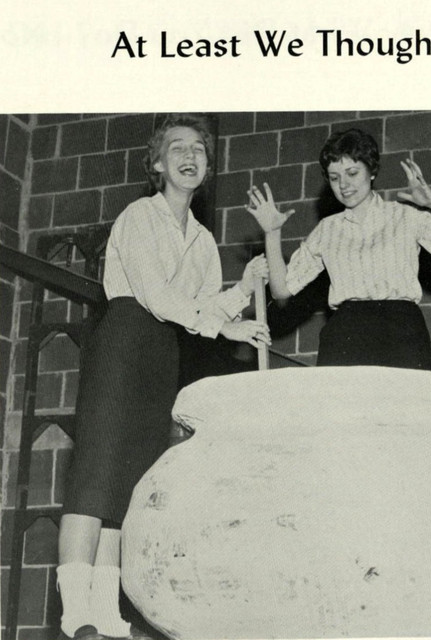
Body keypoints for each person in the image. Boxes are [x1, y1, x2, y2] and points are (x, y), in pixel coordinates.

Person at [56, 114, 270, 640]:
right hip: (125, 336)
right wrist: (224, 327)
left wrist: (243, 290)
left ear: (207, 167)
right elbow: (156, 295)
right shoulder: (139, 216)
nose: (189, 156)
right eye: (177, 148)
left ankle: (105, 609)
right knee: (96, 474)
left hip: (162, 350)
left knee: (126, 484)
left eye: (198, 149)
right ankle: (75, 610)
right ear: (157, 163)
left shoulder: (202, 240)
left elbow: (201, 309)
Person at [245, 127, 431, 369]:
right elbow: (281, 289)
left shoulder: (406, 216)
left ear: (371, 171)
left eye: (352, 173)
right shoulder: (327, 229)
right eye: (334, 178)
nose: (344, 185)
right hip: (346, 334)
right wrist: (272, 233)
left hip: (402, 332)